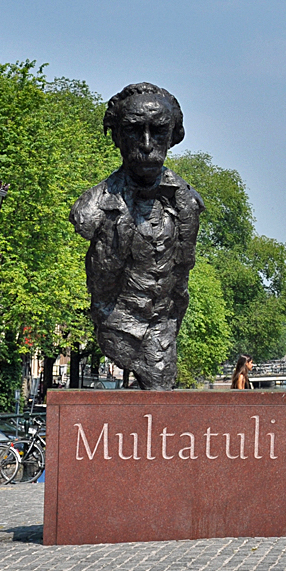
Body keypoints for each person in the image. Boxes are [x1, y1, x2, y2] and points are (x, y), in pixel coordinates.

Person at [70, 83, 204, 390]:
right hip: (118, 324)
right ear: (117, 136)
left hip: (163, 330)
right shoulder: (92, 206)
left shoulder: (188, 203)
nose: (146, 143)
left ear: (173, 136)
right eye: (134, 130)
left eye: (157, 131)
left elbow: (181, 276)